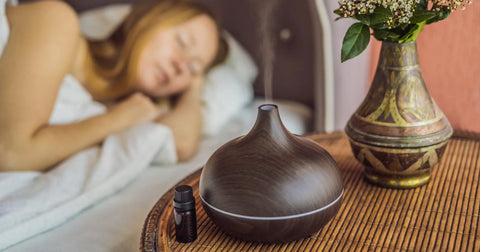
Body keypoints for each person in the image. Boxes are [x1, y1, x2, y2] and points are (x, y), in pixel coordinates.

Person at [0, 0, 227, 172]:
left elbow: (181, 144)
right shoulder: (56, 21)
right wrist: (118, 119)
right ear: (146, 21)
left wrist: (194, 85)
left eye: (193, 68)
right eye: (182, 42)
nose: (181, 65)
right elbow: (11, 153)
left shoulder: (120, 106)